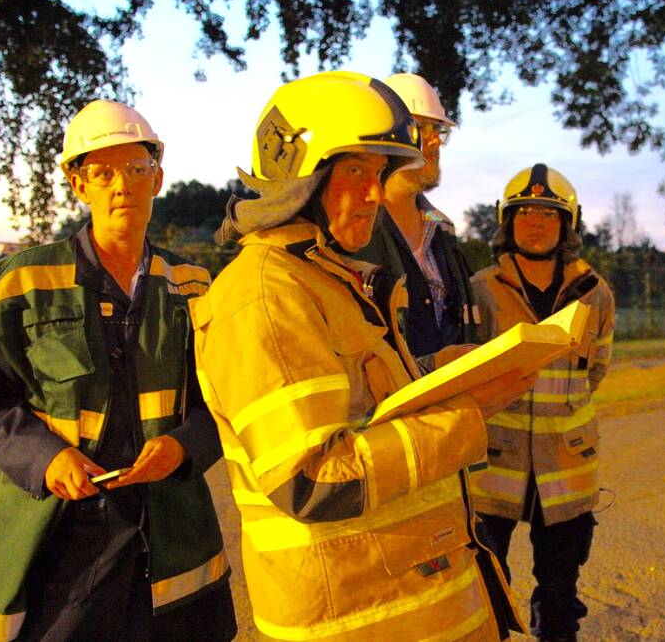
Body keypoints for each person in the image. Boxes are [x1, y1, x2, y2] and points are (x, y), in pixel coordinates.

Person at [193, 71, 534, 640]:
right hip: (354, 616)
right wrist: (466, 415)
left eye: (379, 174)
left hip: (405, 600)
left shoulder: (327, 278)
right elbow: (313, 479)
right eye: (357, 171)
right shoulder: (264, 296)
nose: (376, 193)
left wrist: (431, 374)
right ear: (300, 175)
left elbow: (354, 407)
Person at [0, 100, 236, 641]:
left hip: (168, 529)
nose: (121, 185)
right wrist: (45, 456)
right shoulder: (26, 282)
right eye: (102, 173)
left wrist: (185, 446)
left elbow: (222, 400)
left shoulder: (192, 283)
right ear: (80, 186)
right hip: (61, 536)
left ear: (158, 178)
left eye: (135, 169)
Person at [469, 164, 616, 642]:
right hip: (495, 468)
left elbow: (597, 369)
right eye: (525, 213)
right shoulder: (481, 291)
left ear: (567, 225)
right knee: (489, 588)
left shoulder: (594, 293)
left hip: (566, 470)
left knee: (560, 594)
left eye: (549, 215)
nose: (536, 223)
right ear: (506, 223)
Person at [354, 72, 479, 357]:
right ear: (385, 135)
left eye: (439, 131)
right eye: (422, 128)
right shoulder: (353, 229)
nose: (434, 142)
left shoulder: (442, 231)